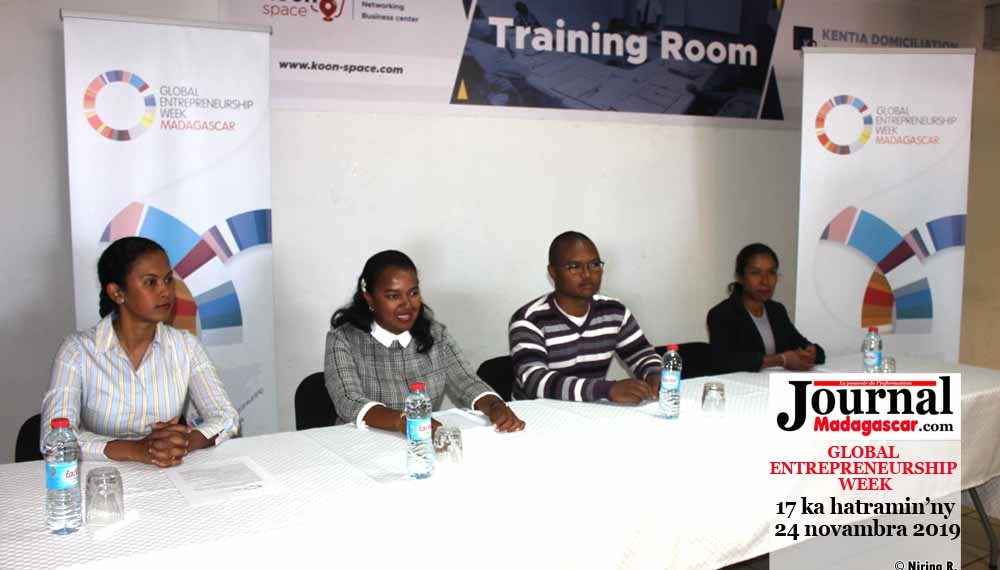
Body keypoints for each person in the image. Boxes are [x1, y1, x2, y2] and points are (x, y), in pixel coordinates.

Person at [42, 237, 239, 467]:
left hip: (170, 472)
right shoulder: (77, 351)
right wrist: (137, 450)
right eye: (151, 282)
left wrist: (183, 443)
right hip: (102, 477)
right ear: (117, 293)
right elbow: (55, 440)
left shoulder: (185, 346)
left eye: (168, 280)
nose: (166, 291)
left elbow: (226, 416)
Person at [325, 250, 525, 433]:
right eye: (393, 296)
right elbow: (348, 401)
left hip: (423, 440)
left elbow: (466, 382)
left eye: (413, 293)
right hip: (361, 443)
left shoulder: (435, 334)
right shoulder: (343, 339)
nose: (407, 304)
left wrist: (495, 406)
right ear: (369, 298)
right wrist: (405, 421)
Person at [508, 231, 662, 403]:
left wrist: (653, 374)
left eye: (594, 265)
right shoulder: (529, 320)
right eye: (574, 267)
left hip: (592, 409)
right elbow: (535, 381)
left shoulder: (614, 311)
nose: (587, 274)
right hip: (535, 414)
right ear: (553, 272)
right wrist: (607, 390)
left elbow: (642, 354)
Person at [707, 243, 825, 372]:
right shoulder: (722, 314)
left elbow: (802, 344)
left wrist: (811, 352)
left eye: (771, 272)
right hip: (741, 383)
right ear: (740, 277)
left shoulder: (777, 310)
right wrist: (780, 360)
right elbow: (723, 361)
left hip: (776, 381)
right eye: (755, 273)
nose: (765, 281)